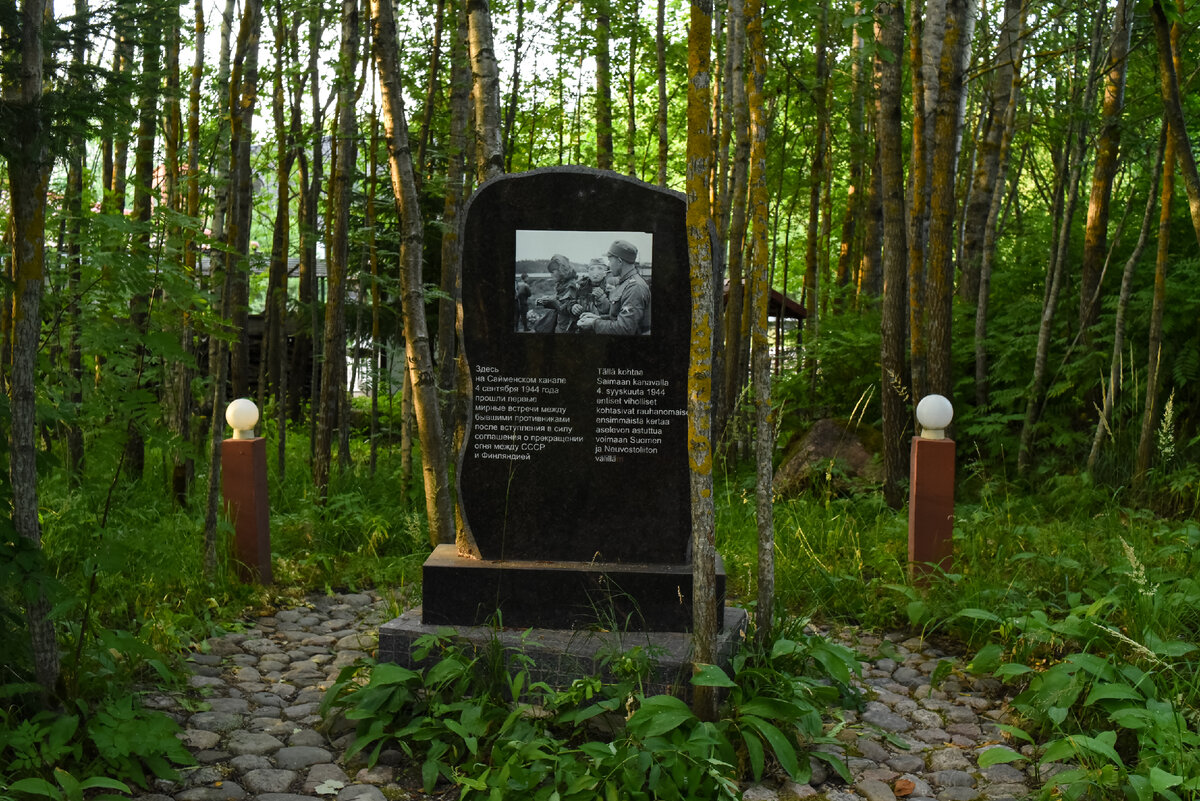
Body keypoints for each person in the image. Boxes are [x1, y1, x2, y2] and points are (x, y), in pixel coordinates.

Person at [577, 240, 650, 335]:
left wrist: (594, 323)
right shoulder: (625, 283)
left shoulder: (634, 287)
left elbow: (625, 328)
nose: (608, 265)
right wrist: (597, 318)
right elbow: (617, 317)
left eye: (610, 260)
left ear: (619, 261)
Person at [533, 254, 578, 333]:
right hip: (560, 324)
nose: (551, 275)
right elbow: (560, 299)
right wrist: (545, 301)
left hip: (567, 328)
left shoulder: (571, 286)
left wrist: (553, 303)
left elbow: (571, 309)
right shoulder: (562, 284)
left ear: (561, 270)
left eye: (553, 272)